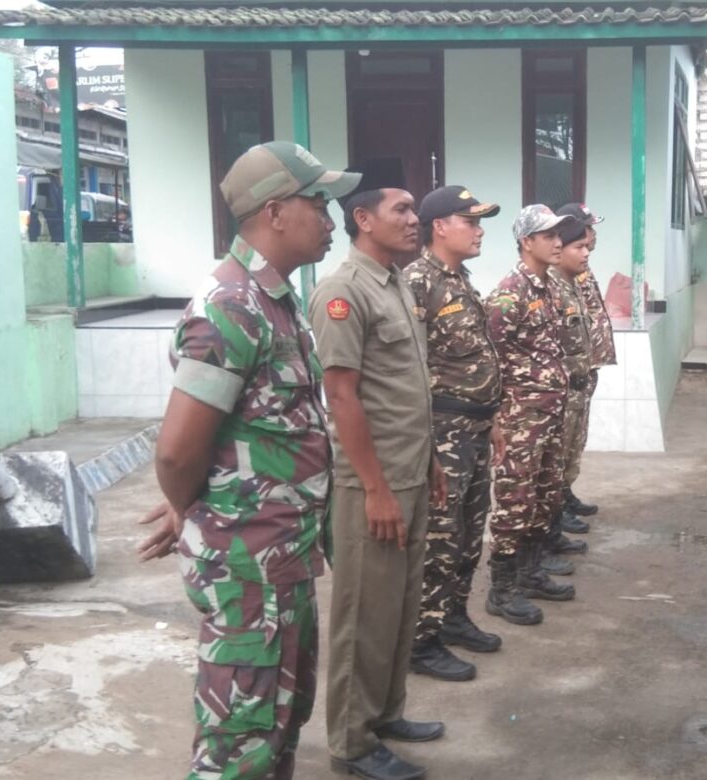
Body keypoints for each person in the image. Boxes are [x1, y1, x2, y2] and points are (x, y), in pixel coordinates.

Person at [138, 141, 359, 778]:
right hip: (247, 567)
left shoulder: (274, 300)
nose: (331, 219)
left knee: (280, 721)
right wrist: (191, 507)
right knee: (240, 743)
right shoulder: (229, 306)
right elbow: (177, 450)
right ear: (274, 212)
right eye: (318, 202)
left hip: (281, 556)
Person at [310, 158, 447, 780]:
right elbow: (342, 397)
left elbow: (406, 387)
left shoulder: (396, 284)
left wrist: (430, 459)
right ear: (363, 219)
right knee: (364, 615)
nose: (415, 219)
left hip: (409, 472)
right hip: (374, 483)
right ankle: (351, 743)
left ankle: (386, 713)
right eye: (403, 209)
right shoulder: (343, 292)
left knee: (399, 606)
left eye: (415, 209)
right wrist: (374, 489)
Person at [402, 186, 506, 682]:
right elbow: (410, 367)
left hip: (476, 426)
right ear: (440, 227)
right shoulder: (417, 282)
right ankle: (421, 641)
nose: (479, 230)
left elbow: (477, 358)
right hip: (444, 432)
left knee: (467, 533)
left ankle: (453, 616)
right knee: (439, 540)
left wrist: (495, 419)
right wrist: (426, 446)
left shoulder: (460, 280)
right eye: (471, 221)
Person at [484, 205, 578, 626]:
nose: (558, 243)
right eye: (549, 236)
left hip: (550, 413)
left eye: (560, 235)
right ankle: (502, 589)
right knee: (514, 501)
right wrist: (498, 420)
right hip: (520, 419)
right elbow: (491, 361)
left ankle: (531, 572)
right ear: (526, 242)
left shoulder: (548, 287)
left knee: (545, 494)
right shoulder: (508, 294)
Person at [555, 203, 614, 531]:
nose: (593, 235)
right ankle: (556, 505)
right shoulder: (557, 276)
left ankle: (565, 492)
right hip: (566, 375)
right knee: (562, 443)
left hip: (585, 368)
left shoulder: (581, 270)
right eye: (588, 228)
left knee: (576, 440)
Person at [541, 217, 594, 573]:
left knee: (566, 464)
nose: (586, 253)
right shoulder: (550, 290)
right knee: (550, 472)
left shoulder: (572, 285)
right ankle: (544, 539)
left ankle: (554, 527)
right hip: (553, 398)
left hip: (575, 390)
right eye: (580, 246)